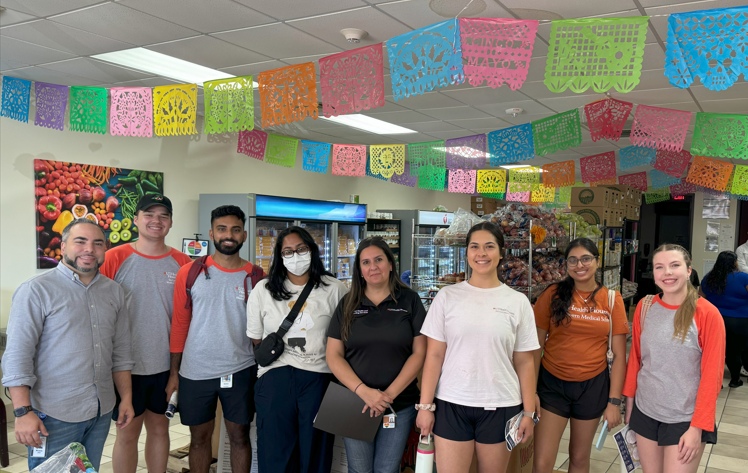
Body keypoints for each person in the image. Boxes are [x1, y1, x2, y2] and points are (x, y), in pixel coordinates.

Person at [2, 219, 134, 470]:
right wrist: (21, 412)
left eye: (97, 243)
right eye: (80, 241)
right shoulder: (36, 290)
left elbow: (121, 352)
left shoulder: (114, 292)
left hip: (100, 410)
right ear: (63, 246)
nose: (89, 249)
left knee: (89, 468)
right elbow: (18, 355)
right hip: (53, 416)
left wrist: (125, 398)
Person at [416, 221, 539, 473]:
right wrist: (425, 407)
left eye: (489, 246)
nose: (481, 253)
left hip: (502, 404)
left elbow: (525, 361)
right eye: (474, 247)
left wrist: (528, 411)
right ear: (467, 253)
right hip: (451, 402)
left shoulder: (518, 302)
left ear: (501, 252)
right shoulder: (447, 297)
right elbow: (434, 355)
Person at [100, 194, 193, 473]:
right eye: (149, 214)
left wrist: (178, 369)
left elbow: (187, 315)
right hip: (125, 366)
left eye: (163, 216)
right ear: (136, 219)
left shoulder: (182, 262)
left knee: (160, 429)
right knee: (127, 434)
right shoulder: (114, 257)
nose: (156, 221)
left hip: (166, 365)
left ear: (171, 222)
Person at [168, 205, 264, 473]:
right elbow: (179, 324)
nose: (228, 235)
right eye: (222, 229)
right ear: (211, 233)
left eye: (235, 230)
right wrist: (174, 372)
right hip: (195, 371)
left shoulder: (257, 278)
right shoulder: (189, 273)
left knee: (240, 437)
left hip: (241, 369)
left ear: (244, 235)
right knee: (198, 440)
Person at [247, 226, 347, 473]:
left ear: (312, 251)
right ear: (280, 257)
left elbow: (345, 339)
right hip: (274, 379)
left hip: (319, 380)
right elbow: (256, 339)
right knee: (274, 454)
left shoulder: (335, 289)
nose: (295, 255)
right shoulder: (263, 289)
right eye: (288, 251)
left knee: (316, 452)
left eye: (301, 249)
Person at [326, 237, 427, 473]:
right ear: (359, 270)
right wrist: (364, 392)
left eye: (379, 260)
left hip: (398, 404)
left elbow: (419, 353)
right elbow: (333, 356)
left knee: (387, 469)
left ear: (390, 264)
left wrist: (387, 396)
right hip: (355, 403)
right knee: (359, 469)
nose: (373, 267)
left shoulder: (410, 301)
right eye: (366, 262)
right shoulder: (347, 304)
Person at [623, 244, 725, 473]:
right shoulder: (645, 306)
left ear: (689, 270)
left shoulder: (707, 314)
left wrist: (697, 427)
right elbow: (636, 360)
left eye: (675, 265)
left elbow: (712, 376)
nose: (667, 272)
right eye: (660, 267)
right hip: (645, 411)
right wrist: (629, 404)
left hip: (684, 418)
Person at [532, 238, 629, 473]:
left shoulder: (611, 300)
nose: (579, 265)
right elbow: (534, 347)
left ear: (597, 261)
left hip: (592, 387)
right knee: (543, 461)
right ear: (566, 265)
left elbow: (619, 356)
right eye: (573, 260)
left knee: (578, 458)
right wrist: (530, 391)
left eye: (586, 258)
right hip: (552, 385)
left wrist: (614, 402)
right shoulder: (553, 295)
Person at [699, 250, 748, 388]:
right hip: (741, 321)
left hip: (716, 320)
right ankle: (734, 380)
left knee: (716, 352)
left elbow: (700, 299)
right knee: (735, 352)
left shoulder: (709, 278)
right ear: (734, 263)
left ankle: (717, 382)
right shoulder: (744, 278)